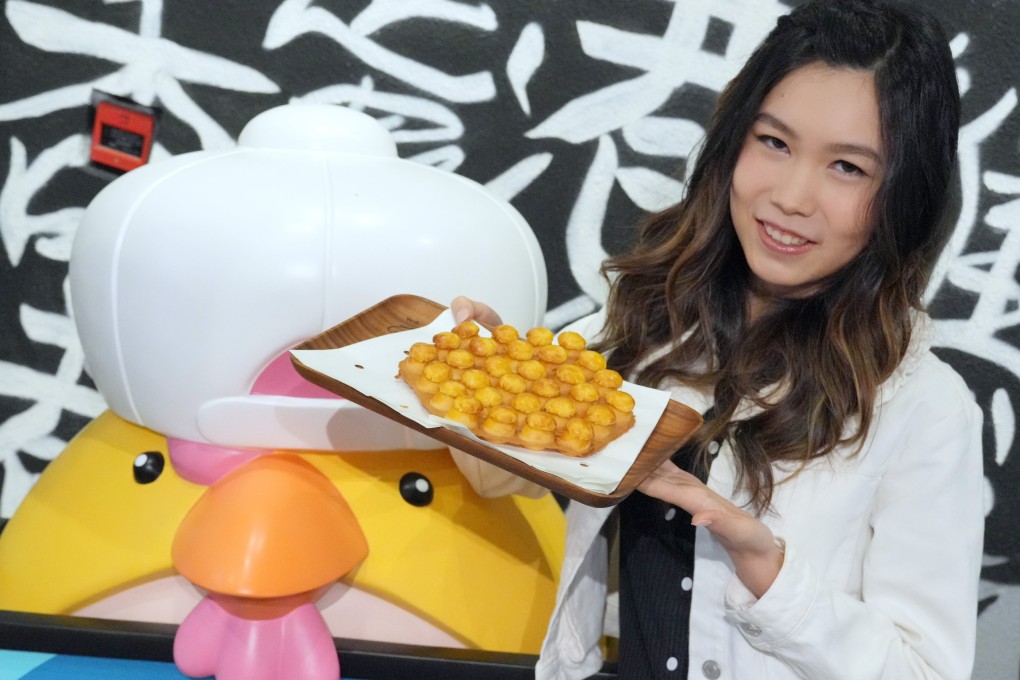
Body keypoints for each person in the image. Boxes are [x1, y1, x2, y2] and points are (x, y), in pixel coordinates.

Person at [450, 0, 984, 678]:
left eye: (847, 167)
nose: (792, 196)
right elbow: (499, 481)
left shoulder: (926, 409)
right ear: (734, 140)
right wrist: (498, 382)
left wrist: (768, 569)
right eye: (775, 142)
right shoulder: (644, 322)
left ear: (903, 195)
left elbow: (926, 671)